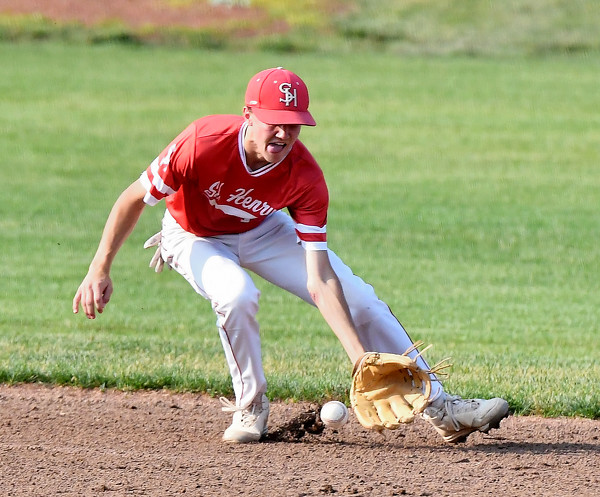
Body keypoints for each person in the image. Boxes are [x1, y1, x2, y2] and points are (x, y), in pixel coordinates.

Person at [73, 67, 509, 443]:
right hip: (193, 235)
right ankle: (251, 405)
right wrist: (100, 268)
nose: (284, 133)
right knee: (237, 294)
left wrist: (359, 359)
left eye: (294, 123)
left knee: (361, 301)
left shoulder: (305, 176)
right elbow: (133, 198)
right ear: (248, 114)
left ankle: (443, 409)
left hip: (263, 229)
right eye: (274, 122)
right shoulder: (202, 141)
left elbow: (320, 278)